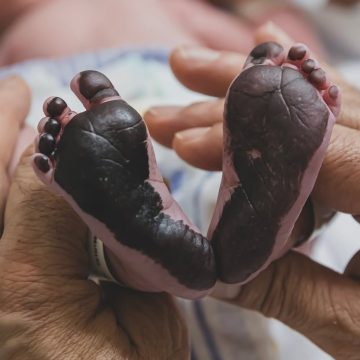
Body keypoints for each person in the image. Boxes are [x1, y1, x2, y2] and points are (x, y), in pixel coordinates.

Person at [1, 23, 360, 359]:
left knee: (28, 166)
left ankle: (143, 257)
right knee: (301, 200)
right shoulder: (187, 13)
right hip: (196, 142)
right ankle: (277, 233)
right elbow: (271, 32)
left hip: (75, 135)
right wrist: (271, 59)